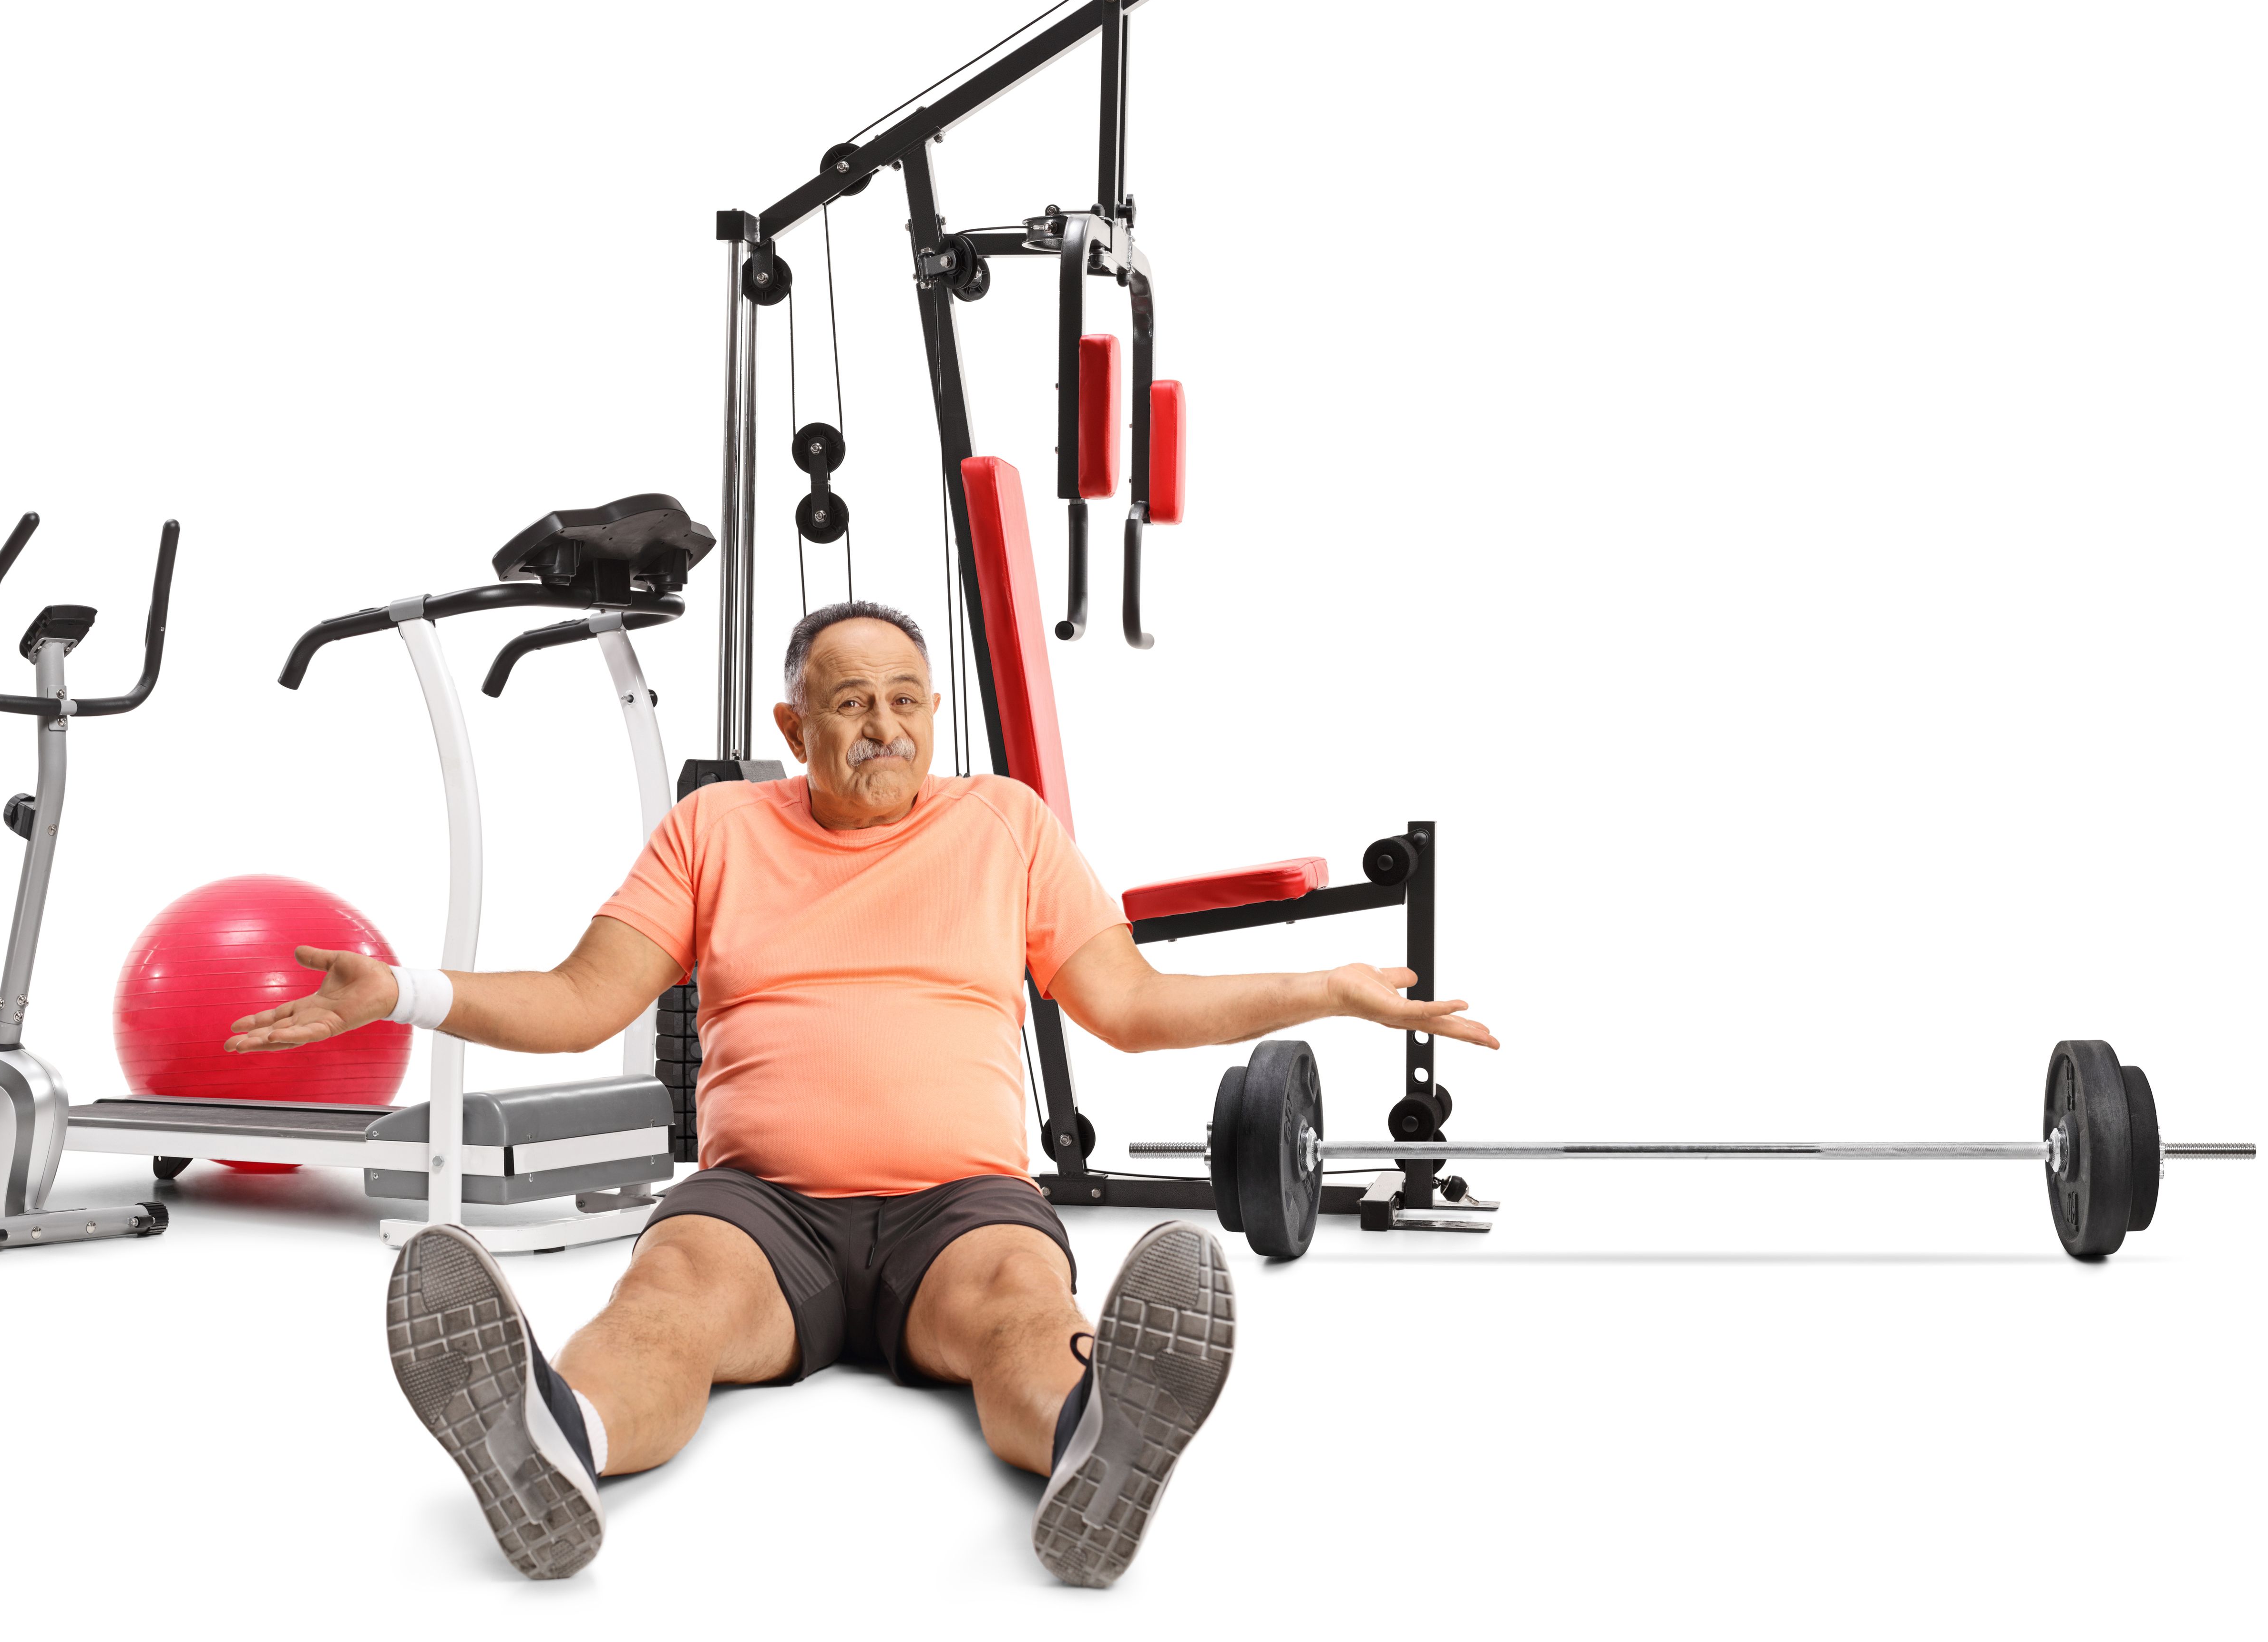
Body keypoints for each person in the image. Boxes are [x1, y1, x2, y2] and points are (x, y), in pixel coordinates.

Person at [228, 600, 1498, 1587]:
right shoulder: (714, 830)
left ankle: (1095, 1442)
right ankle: (557, 1440)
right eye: (849, 704)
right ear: (795, 728)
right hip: (760, 1209)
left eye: (906, 699)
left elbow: (1132, 1005)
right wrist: (402, 992)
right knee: (667, 1298)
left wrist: (1325, 989)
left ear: (936, 710)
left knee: (1019, 1305)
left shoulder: (1005, 824)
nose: (884, 726)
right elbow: (578, 1002)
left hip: (962, 1205)